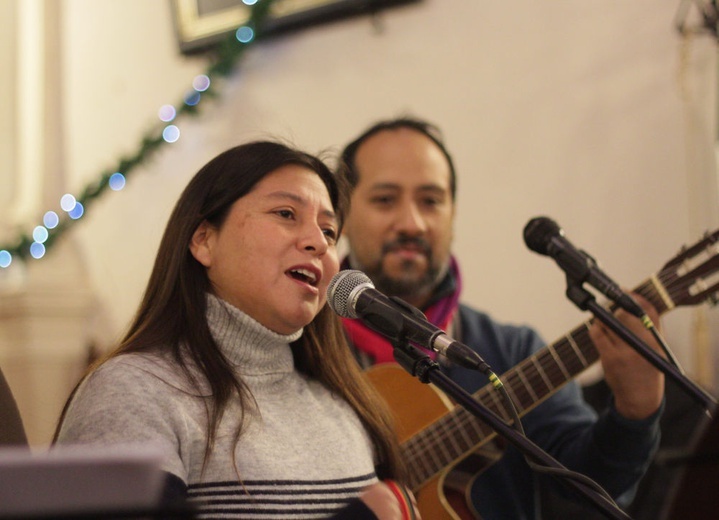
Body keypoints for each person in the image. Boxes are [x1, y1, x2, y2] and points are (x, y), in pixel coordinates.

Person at [54, 141, 423, 519]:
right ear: (203, 240)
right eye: (285, 213)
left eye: (329, 231)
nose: (317, 242)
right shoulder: (131, 392)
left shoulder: (344, 402)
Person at [334, 117, 665, 519]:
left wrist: (637, 406)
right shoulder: (301, 351)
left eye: (431, 201)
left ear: (453, 216)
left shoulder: (513, 352)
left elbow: (596, 486)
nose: (412, 223)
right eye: (385, 200)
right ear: (343, 216)